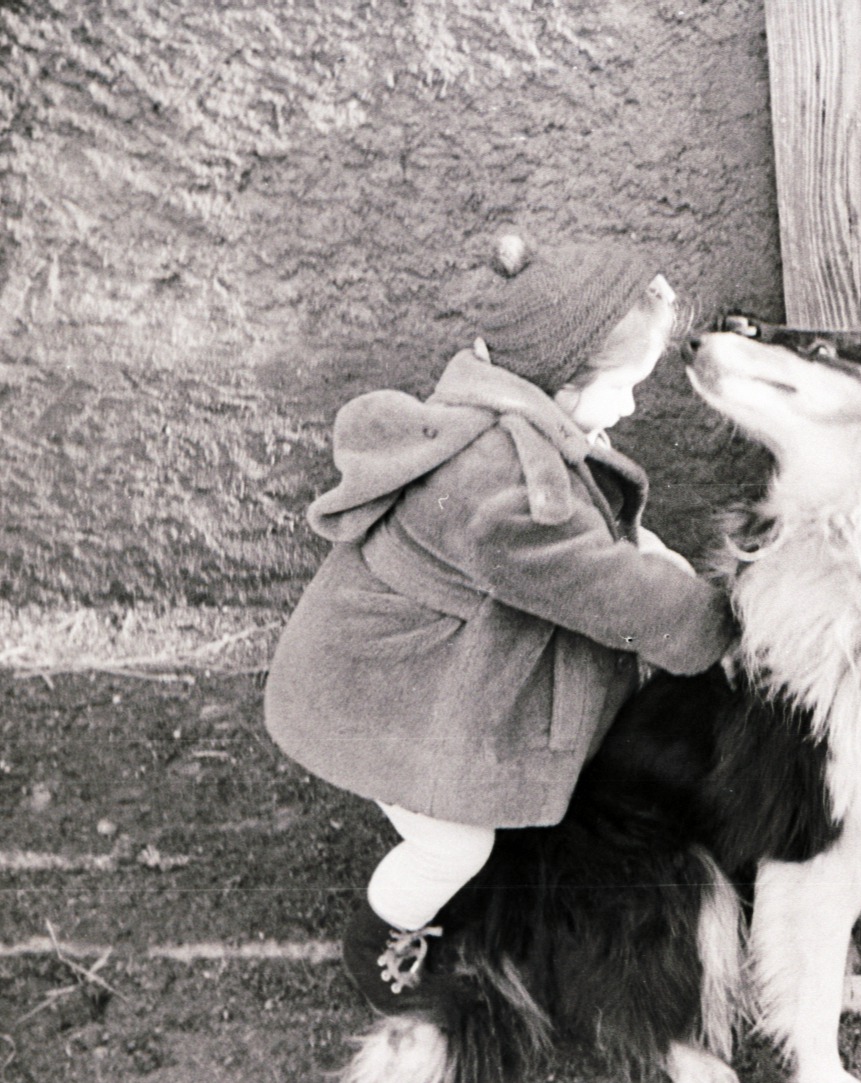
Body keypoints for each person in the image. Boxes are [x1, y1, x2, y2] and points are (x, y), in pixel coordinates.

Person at [263, 235, 736, 1005]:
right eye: (623, 387)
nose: (629, 406)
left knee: (476, 827)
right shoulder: (504, 489)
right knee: (452, 844)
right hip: (386, 700)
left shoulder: (514, 415)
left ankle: (455, 902)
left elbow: (589, 537)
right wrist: (712, 619)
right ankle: (381, 939)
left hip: (415, 666)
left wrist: (644, 549)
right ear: (564, 378)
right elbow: (601, 585)